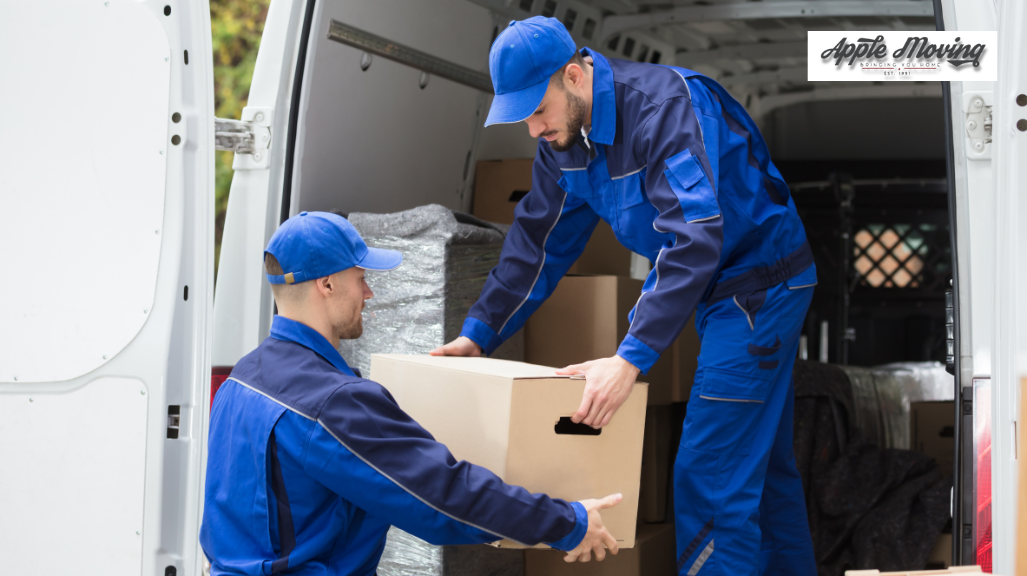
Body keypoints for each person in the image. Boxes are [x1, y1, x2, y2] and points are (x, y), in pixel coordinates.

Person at [431, 16, 818, 576]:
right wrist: (478, 334)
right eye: (523, 119)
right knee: (762, 472)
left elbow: (694, 238)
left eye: (538, 111)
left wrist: (628, 359)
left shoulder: (663, 112)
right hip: (720, 292)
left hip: (760, 285)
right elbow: (536, 246)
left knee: (709, 476)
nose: (534, 130)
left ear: (574, 76)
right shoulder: (565, 143)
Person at [200, 211, 621, 575]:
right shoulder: (333, 401)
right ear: (326, 285)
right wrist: (567, 522)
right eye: (360, 278)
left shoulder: (242, 378)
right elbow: (443, 497)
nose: (369, 293)